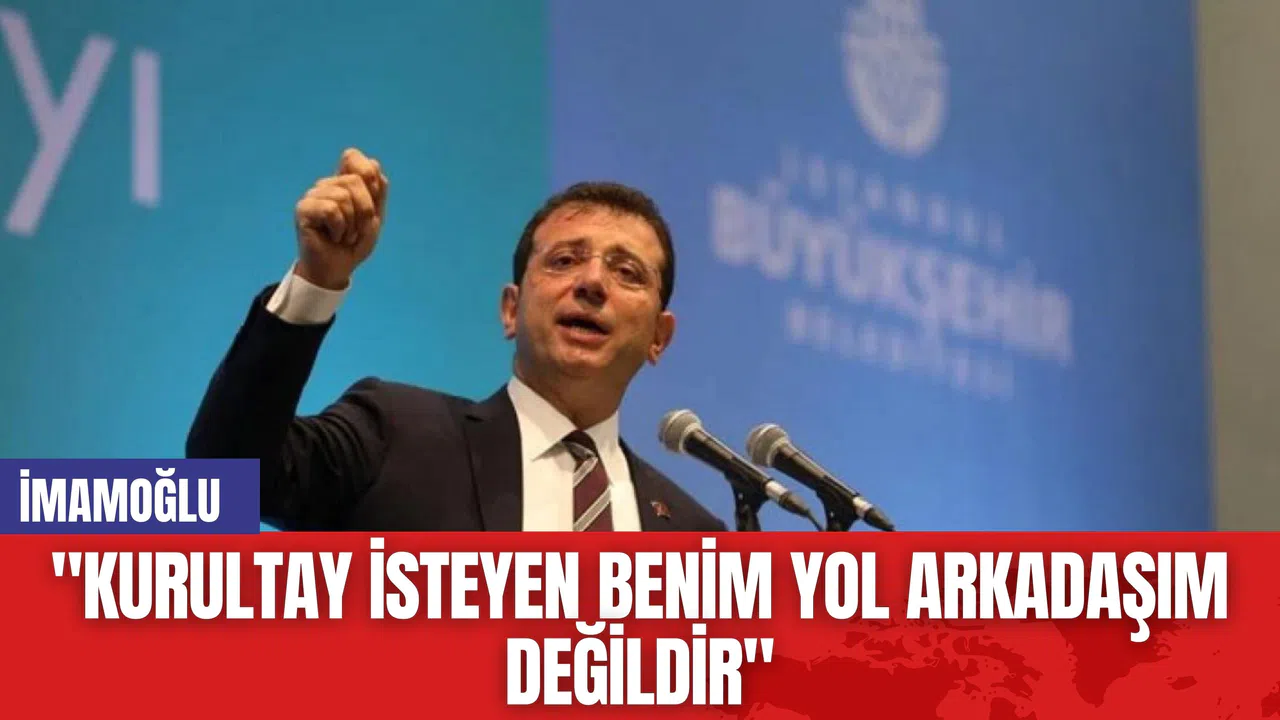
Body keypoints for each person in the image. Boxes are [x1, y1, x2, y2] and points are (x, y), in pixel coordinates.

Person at [186, 147, 726, 532]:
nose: (591, 283)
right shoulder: (395, 435)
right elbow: (225, 478)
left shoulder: (695, 538)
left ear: (659, 337)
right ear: (511, 310)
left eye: (627, 273)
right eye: (564, 261)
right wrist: (317, 280)